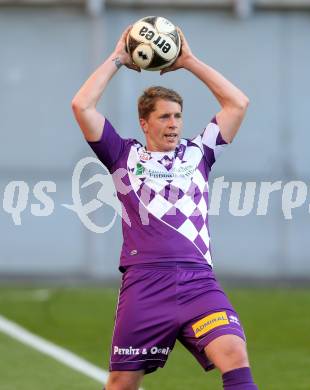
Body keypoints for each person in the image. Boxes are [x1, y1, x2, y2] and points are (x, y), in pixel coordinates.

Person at [72, 25, 258, 390]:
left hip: (198, 282)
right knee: (121, 383)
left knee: (234, 354)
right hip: (145, 284)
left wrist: (189, 61)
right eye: (164, 116)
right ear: (144, 122)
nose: (173, 123)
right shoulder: (122, 154)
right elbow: (81, 105)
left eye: (177, 116)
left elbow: (238, 103)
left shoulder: (200, 151)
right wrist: (117, 58)